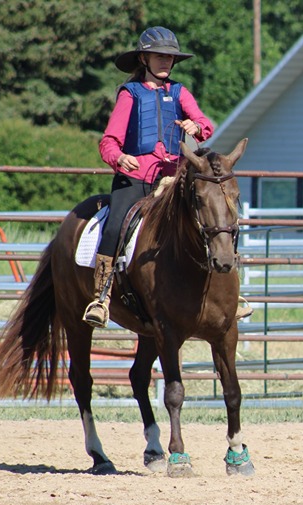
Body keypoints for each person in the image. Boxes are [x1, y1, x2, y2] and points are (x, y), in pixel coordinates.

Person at [85, 26, 215, 328]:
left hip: (172, 181)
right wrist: (119, 158)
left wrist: (196, 127)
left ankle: (222, 289)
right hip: (136, 180)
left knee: (211, 215)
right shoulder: (130, 95)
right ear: (143, 58)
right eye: (159, 56)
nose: (166, 62)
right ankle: (101, 296)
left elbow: (204, 122)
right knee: (116, 222)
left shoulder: (180, 92)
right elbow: (108, 142)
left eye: (170, 57)